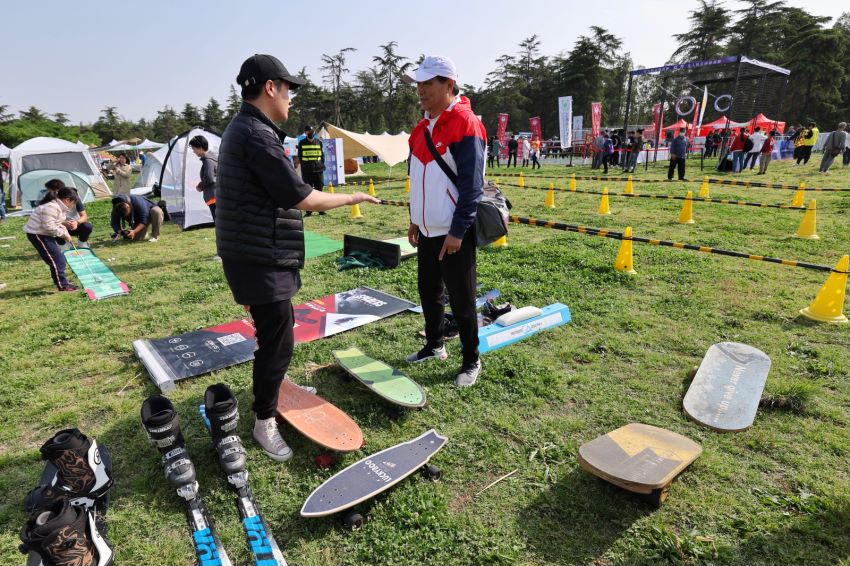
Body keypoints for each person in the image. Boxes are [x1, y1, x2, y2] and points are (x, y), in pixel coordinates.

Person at [216, 54, 377, 462]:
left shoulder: (250, 128)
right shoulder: (255, 133)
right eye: (288, 89)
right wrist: (353, 196)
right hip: (258, 255)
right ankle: (263, 419)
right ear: (270, 87)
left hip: (258, 249)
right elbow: (302, 197)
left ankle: (274, 390)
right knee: (278, 336)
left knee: (277, 330)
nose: (291, 99)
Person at [402, 55, 484, 388]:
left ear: (448, 85)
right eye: (418, 84)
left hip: (454, 233)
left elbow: (472, 186)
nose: (420, 90)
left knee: (462, 298)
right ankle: (435, 345)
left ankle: (471, 359)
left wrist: (457, 231)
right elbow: (417, 177)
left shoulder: (466, 123)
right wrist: (413, 219)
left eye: (427, 83)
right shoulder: (420, 128)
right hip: (426, 229)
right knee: (428, 291)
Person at [23, 187, 80, 292]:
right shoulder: (51, 207)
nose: (73, 206)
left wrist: (67, 234)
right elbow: (49, 227)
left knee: (59, 259)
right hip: (37, 234)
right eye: (73, 202)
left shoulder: (60, 207)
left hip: (44, 233)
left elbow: (58, 223)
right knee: (57, 259)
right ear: (67, 200)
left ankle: (62, 282)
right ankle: (63, 285)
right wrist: (64, 235)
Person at [42, 179, 93, 248]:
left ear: (57, 191)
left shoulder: (74, 198)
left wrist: (77, 222)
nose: (48, 193)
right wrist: (63, 223)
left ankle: (82, 243)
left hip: (74, 226)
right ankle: (63, 245)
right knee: (51, 227)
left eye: (49, 191)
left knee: (87, 226)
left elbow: (84, 216)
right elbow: (50, 220)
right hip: (61, 227)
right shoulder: (51, 202)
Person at [296, 125, 326, 216]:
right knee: (308, 190)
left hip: (318, 169)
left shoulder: (319, 142)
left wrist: (320, 164)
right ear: (305, 133)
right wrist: (306, 165)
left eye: (312, 131)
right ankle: (309, 211)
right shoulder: (301, 143)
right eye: (309, 131)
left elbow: (322, 156)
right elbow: (300, 157)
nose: (311, 133)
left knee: (319, 188)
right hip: (307, 170)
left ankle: (321, 209)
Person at [189, 135, 218, 221]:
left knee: (218, 222)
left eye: (194, 149)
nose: (194, 151)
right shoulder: (211, 158)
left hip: (214, 196)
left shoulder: (208, 160)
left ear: (200, 148)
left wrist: (200, 186)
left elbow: (209, 178)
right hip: (216, 195)